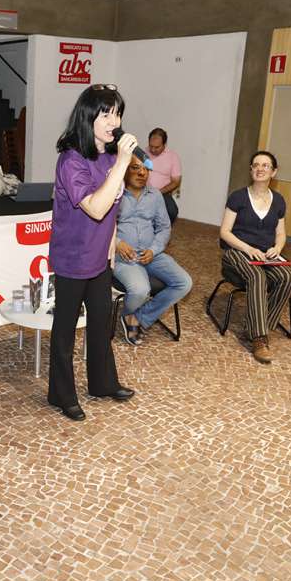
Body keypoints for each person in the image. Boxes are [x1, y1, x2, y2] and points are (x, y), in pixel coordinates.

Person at [47, 83, 138, 422]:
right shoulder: (72, 160)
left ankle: (103, 383)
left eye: (117, 113)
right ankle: (61, 394)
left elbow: (112, 211)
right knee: (66, 330)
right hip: (72, 258)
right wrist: (122, 164)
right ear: (89, 117)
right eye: (106, 113)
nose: (113, 120)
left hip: (100, 257)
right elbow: (97, 207)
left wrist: (112, 241)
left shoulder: (112, 156)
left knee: (101, 324)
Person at [219, 151, 291, 364]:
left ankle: (253, 326)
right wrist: (247, 248)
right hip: (236, 252)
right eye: (256, 165)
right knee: (257, 277)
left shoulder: (278, 200)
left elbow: (281, 233)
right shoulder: (238, 197)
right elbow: (225, 232)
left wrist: (278, 248)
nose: (260, 169)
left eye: (265, 165)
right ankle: (260, 338)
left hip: (265, 254)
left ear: (274, 171)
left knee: (288, 277)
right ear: (251, 169)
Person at [113, 155, 192, 344]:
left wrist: (154, 249)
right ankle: (130, 313)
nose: (142, 173)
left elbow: (164, 227)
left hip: (152, 254)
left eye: (146, 169)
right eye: (135, 168)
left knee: (184, 283)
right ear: (124, 170)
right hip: (124, 256)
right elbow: (100, 227)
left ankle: (136, 317)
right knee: (141, 290)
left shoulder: (155, 195)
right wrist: (117, 242)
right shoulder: (114, 193)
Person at [147, 128, 182, 225]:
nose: (153, 150)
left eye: (157, 147)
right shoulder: (143, 153)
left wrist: (158, 192)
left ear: (164, 145)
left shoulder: (173, 157)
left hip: (162, 192)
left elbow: (176, 181)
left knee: (172, 211)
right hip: (142, 191)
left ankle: (163, 231)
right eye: (151, 146)